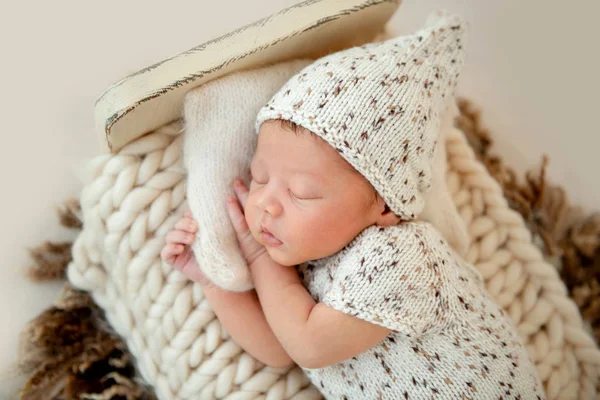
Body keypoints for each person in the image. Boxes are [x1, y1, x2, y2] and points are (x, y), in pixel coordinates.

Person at [161, 10, 545, 399]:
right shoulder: (311, 259)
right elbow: (279, 349)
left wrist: (257, 256)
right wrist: (214, 282)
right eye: (260, 177)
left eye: (301, 193)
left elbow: (308, 344)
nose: (266, 204)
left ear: (384, 208)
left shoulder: (402, 256)